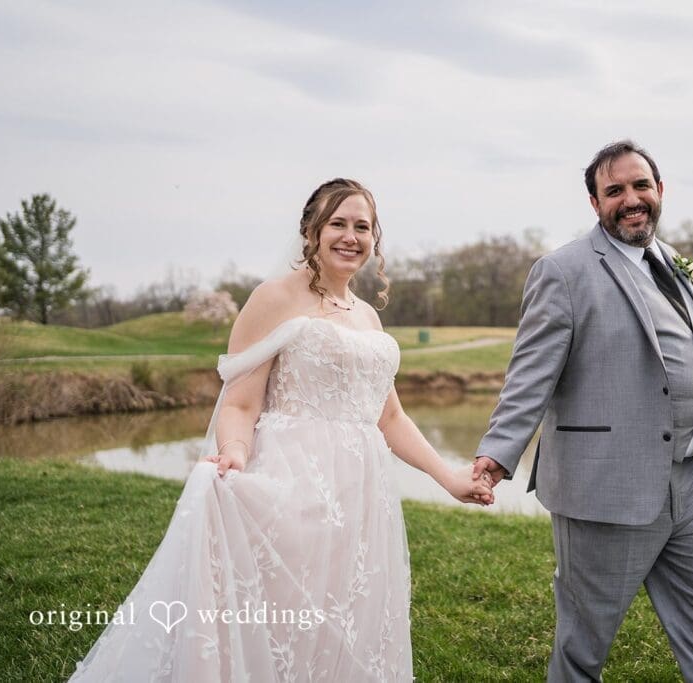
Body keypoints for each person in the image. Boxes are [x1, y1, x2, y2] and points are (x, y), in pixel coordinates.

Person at [70, 178, 493, 681]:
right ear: (311, 230)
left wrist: (449, 477)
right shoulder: (273, 298)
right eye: (338, 223)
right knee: (286, 620)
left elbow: (389, 418)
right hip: (292, 488)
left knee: (346, 620)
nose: (350, 236)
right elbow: (241, 403)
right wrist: (234, 453)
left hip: (362, 498)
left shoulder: (367, 318)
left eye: (363, 227)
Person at [473, 141, 693, 681]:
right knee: (583, 649)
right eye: (614, 190)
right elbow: (530, 375)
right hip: (604, 489)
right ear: (595, 203)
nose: (631, 199)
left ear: (660, 191)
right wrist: (497, 457)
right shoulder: (563, 271)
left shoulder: (674, 264)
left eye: (640, 186)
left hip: (688, 485)